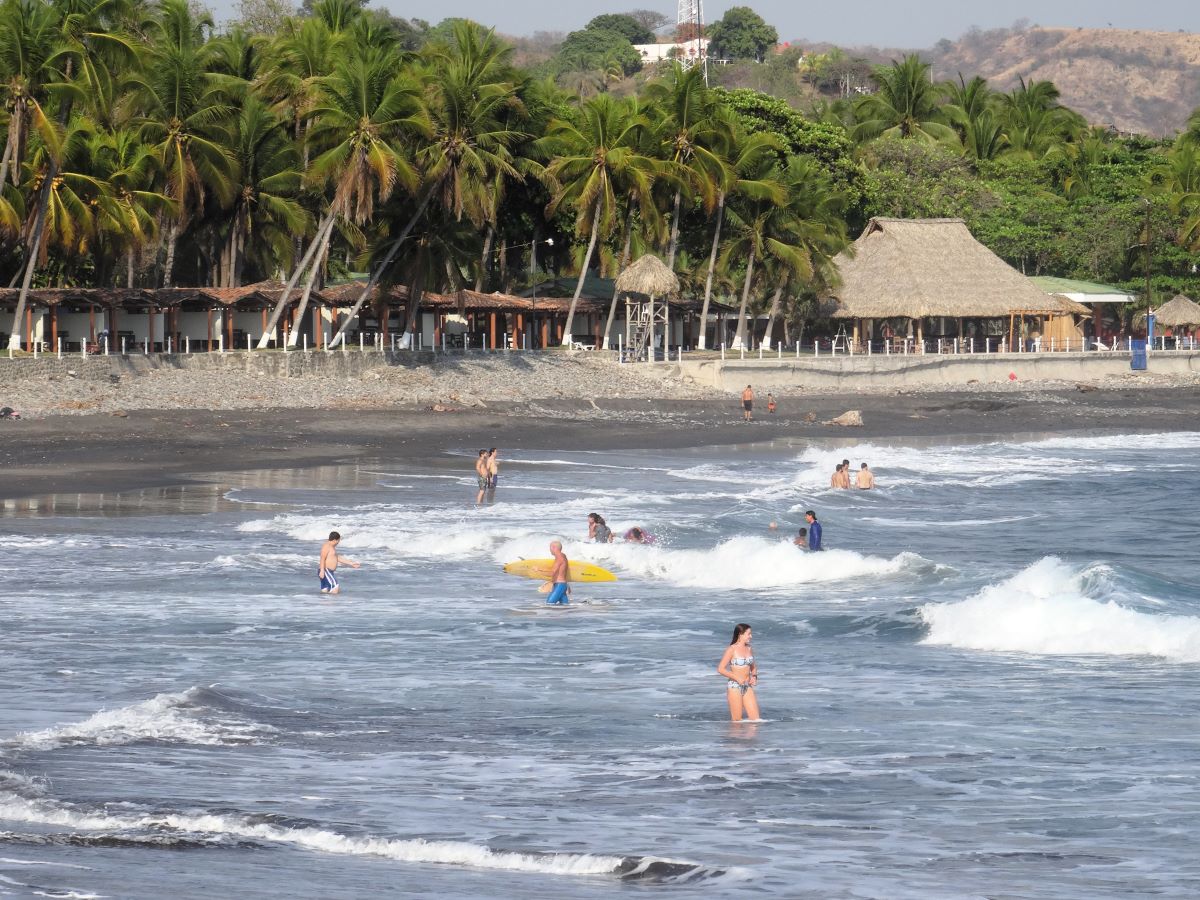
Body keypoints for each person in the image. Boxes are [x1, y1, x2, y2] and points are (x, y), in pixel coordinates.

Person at [717, 623, 760, 722]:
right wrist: (737, 678)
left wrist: (754, 676)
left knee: (756, 720)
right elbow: (720, 669)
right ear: (740, 634)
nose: (751, 636)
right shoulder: (731, 649)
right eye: (749, 634)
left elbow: (753, 667)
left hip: (747, 686)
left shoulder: (749, 648)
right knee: (737, 721)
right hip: (734, 686)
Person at [546, 540, 570, 605]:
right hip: (561, 585)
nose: (550, 550)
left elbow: (552, 572)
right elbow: (563, 571)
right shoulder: (563, 555)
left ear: (554, 547)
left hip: (559, 585)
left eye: (550, 548)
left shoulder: (559, 557)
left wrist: (538, 570)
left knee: (549, 604)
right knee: (565, 606)